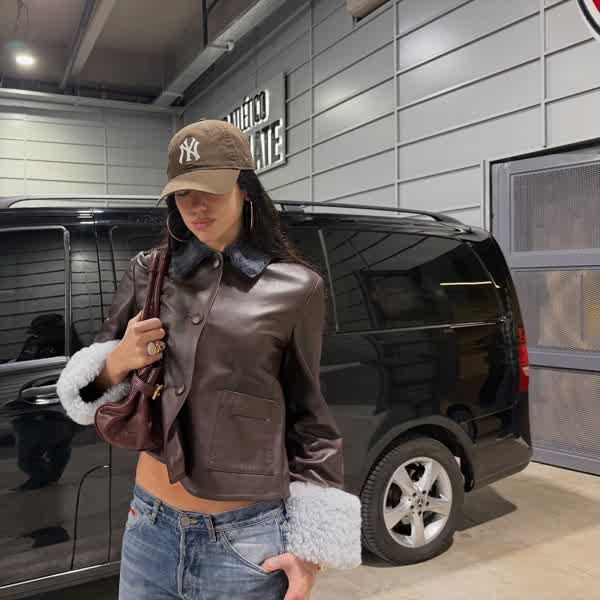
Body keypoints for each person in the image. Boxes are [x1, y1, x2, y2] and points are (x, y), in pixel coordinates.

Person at [56, 119, 362, 600]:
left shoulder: (296, 289)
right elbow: (92, 390)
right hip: (148, 527)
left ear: (245, 188)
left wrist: (311, 552)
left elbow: (310, 421)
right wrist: (119, 360)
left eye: (211, 190)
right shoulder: (149, 271)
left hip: (246, 543)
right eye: (183, 194)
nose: (196, 206)